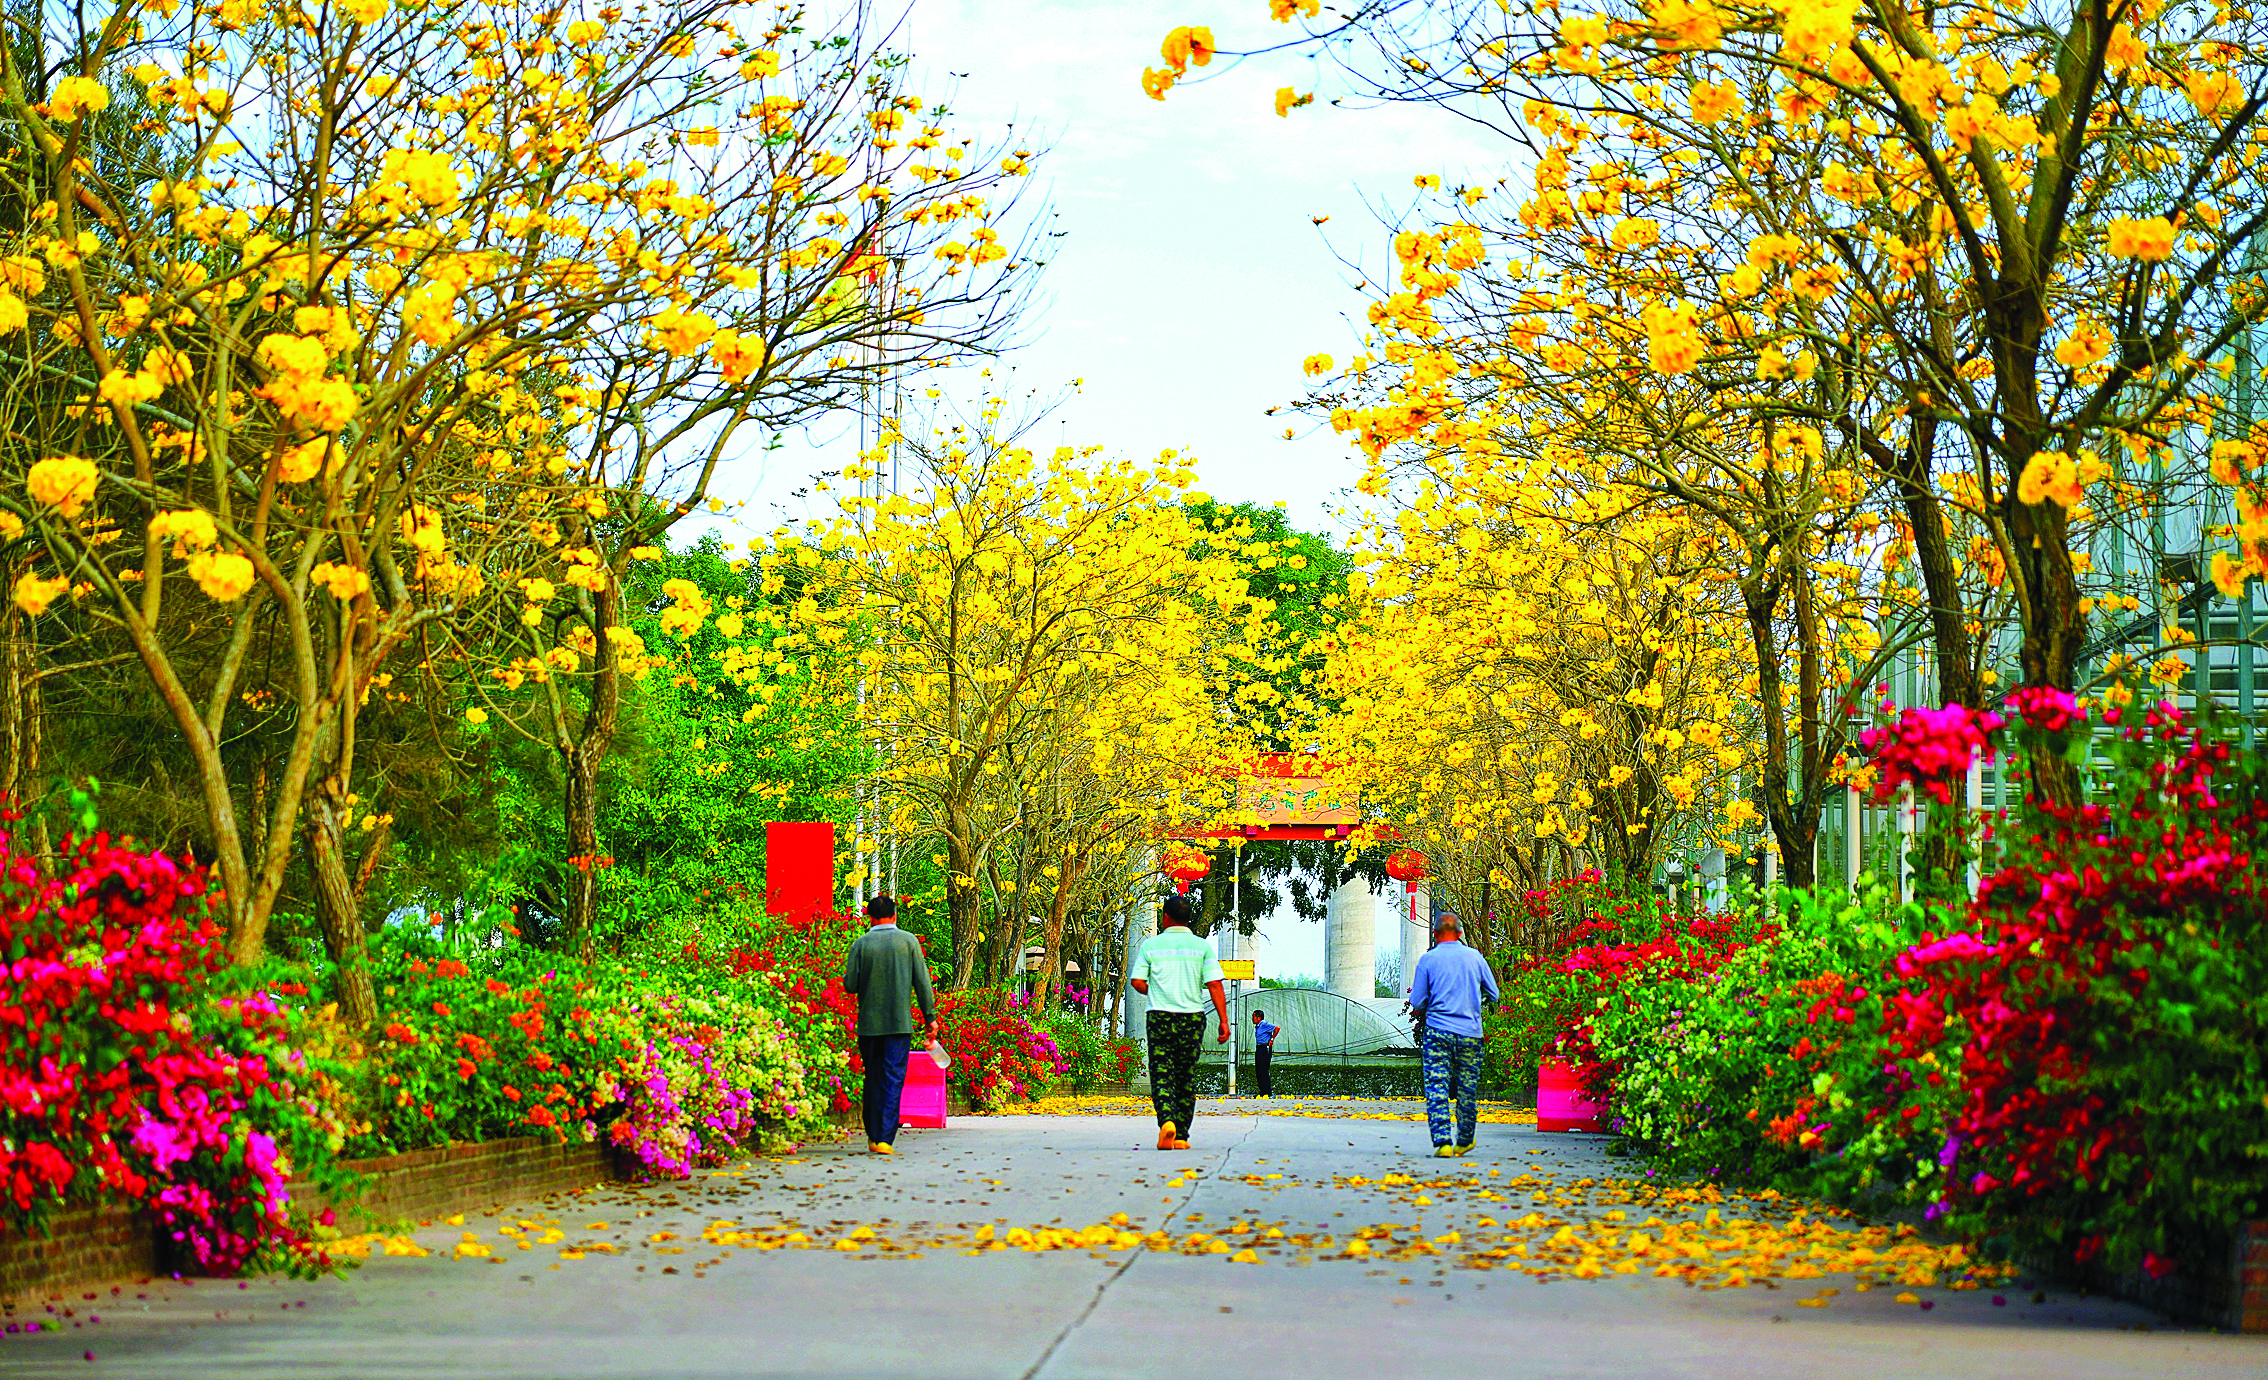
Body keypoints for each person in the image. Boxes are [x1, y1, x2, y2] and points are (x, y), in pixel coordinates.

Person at [841, 895, 939, 1156]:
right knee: (893, 1078)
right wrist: (929, 1018)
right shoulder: (908, 942)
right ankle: (884, 1137)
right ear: (895, 916)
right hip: (898, 1026)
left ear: (869, 918)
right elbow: (922, 983)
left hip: (868, 1027)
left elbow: (850, 985)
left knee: (872, 1076)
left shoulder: (861, 944)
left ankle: (873, 1134)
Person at [1129, 894, 1228, 1150]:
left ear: (1165, 917)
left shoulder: (1151, 946)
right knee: (1186, 1075)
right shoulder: (1202, 947)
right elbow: (1215, 984)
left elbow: (1137, 982)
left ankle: (1167, 1123)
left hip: (1160, 1016)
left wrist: (1158, 990)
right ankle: (1182, 1136)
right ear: (1188, 918)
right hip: (1192, 1017)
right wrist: (1224, 1022)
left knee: (1161, 1073)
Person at [1406, 910, 1499, 1157]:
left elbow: (1417, 1001)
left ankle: (1443, 1143)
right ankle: (1465, 1139)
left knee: (1437, 1086)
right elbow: (1494, 994)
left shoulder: (1428, 960)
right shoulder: (1475, 957)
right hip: (1470, 1032)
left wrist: (1433, 1005)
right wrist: (1474, 1003)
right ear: (1460, 933)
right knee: (1467, 1088)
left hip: (1437, 1031)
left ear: (1435, 934)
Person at [1250, 1008, 1280, 1097]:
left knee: (1263, 1069)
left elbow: (1277, 1028)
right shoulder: (1258, 1026)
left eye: (1254, 1017)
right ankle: (1262, 1091)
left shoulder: (1264, 1024)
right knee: (1259, 1070)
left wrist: (1272, 1039)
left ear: (1259, 1018)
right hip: (1259, 1048)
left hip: (1264, 1048)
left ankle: (1267, 1091)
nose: (1253, 1019)